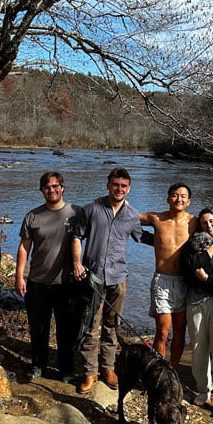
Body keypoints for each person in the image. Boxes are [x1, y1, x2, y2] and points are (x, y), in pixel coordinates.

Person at [140, 184, 213, 369]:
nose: (178, 199)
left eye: (183, 196)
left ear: (188, 202)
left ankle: (172, 372)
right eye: (174, 195)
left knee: (180, 331)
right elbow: (127, 216)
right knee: (162, 332)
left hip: (184, 281)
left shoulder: (193, 222)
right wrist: (106, 202)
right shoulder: (156, 218)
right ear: (168, 198)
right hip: (162, 279)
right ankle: (158, 371)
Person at [71, 167, 143, 393]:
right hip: (93, 276)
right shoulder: (91, 209)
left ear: (128, 188)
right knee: (91, 325)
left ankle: (108, 368)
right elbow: (76, 237)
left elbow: (144, 237)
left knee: (112, 325)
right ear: (108, 185)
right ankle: (89, 372)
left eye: (123, 186)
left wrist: (176, 235)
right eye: (115, 185)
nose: (119, 189)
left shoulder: (132, 215)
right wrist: (76, 263)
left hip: (118, 276)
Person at [15, 171, 83, 382]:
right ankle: (37, 365)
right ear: (42, 190)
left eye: (55, 186)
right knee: (38, 328)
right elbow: (24, 247)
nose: (51, 190)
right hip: (37, 281)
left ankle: (66, 370)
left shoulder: (76, 213)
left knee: (66, 330)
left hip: (66, 283)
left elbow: (98, 224)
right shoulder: (32, 216)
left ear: (63, 188)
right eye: (47, 187)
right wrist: (19, 276)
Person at [181, 207, 213, 420]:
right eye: (204, 222)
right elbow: (189, 267)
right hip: (194, 302)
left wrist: (205, 279)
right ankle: (204, 389)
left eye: (212, 221)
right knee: (198, 346)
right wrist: (209, 253)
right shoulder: (193, 244)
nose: (208, 225)